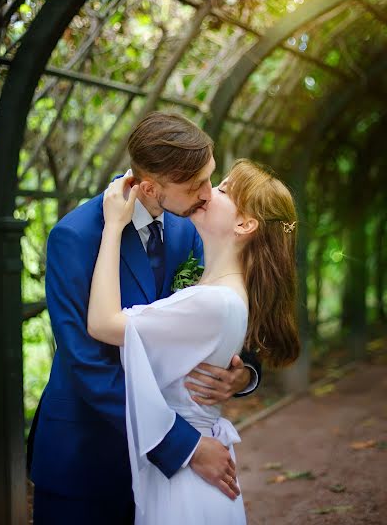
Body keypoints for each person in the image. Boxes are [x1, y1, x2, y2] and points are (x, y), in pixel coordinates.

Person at [27, 112, 262, 525]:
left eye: (209, 177)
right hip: (90, 454)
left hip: (161, 474)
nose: (208, 194)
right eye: (195, 186)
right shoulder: (76, 236)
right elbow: (87, 362)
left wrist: (244, 375)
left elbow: (220, 311)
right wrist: (184, 445)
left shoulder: (190, 228)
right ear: (150, 187)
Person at [87, 158, 301, 524]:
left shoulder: (211, 301)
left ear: (245, 224)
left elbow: (104, 324)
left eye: (221, 189)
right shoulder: (225, 293)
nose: (207, 191)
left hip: (186, 474)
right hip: (192, 466)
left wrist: (112, 227)